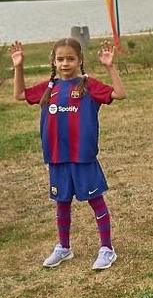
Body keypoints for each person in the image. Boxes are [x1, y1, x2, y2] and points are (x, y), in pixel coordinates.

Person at [10, 38, 126, 270]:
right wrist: (19, 66)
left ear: (79, 60)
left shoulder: (88, 85)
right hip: (57, 158)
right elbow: (20, 95)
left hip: (83, 157)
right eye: (60, 59)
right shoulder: (49, 87)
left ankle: (107, 249)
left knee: (96, 201)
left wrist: (110, 67)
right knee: (62, 203)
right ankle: (64, 247)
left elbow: (120, 94)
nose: (65, 63)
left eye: (70, 59)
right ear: (54, 61)